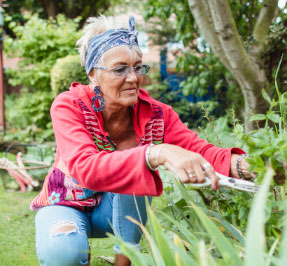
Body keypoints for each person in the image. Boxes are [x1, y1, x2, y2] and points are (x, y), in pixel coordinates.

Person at [31, 15, 252, 266]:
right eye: (120, 69)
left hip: (114, 213)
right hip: (65, 203)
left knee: (138, 175)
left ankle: (124, 260)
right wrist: (155, 153)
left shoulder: (158, 114)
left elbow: (201, 151)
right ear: (93, 74)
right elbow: (85, 168)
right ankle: (74, 250)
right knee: (64, 254)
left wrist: (247, 165)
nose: (134, 77)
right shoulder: (70, 106)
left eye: (138, 67)